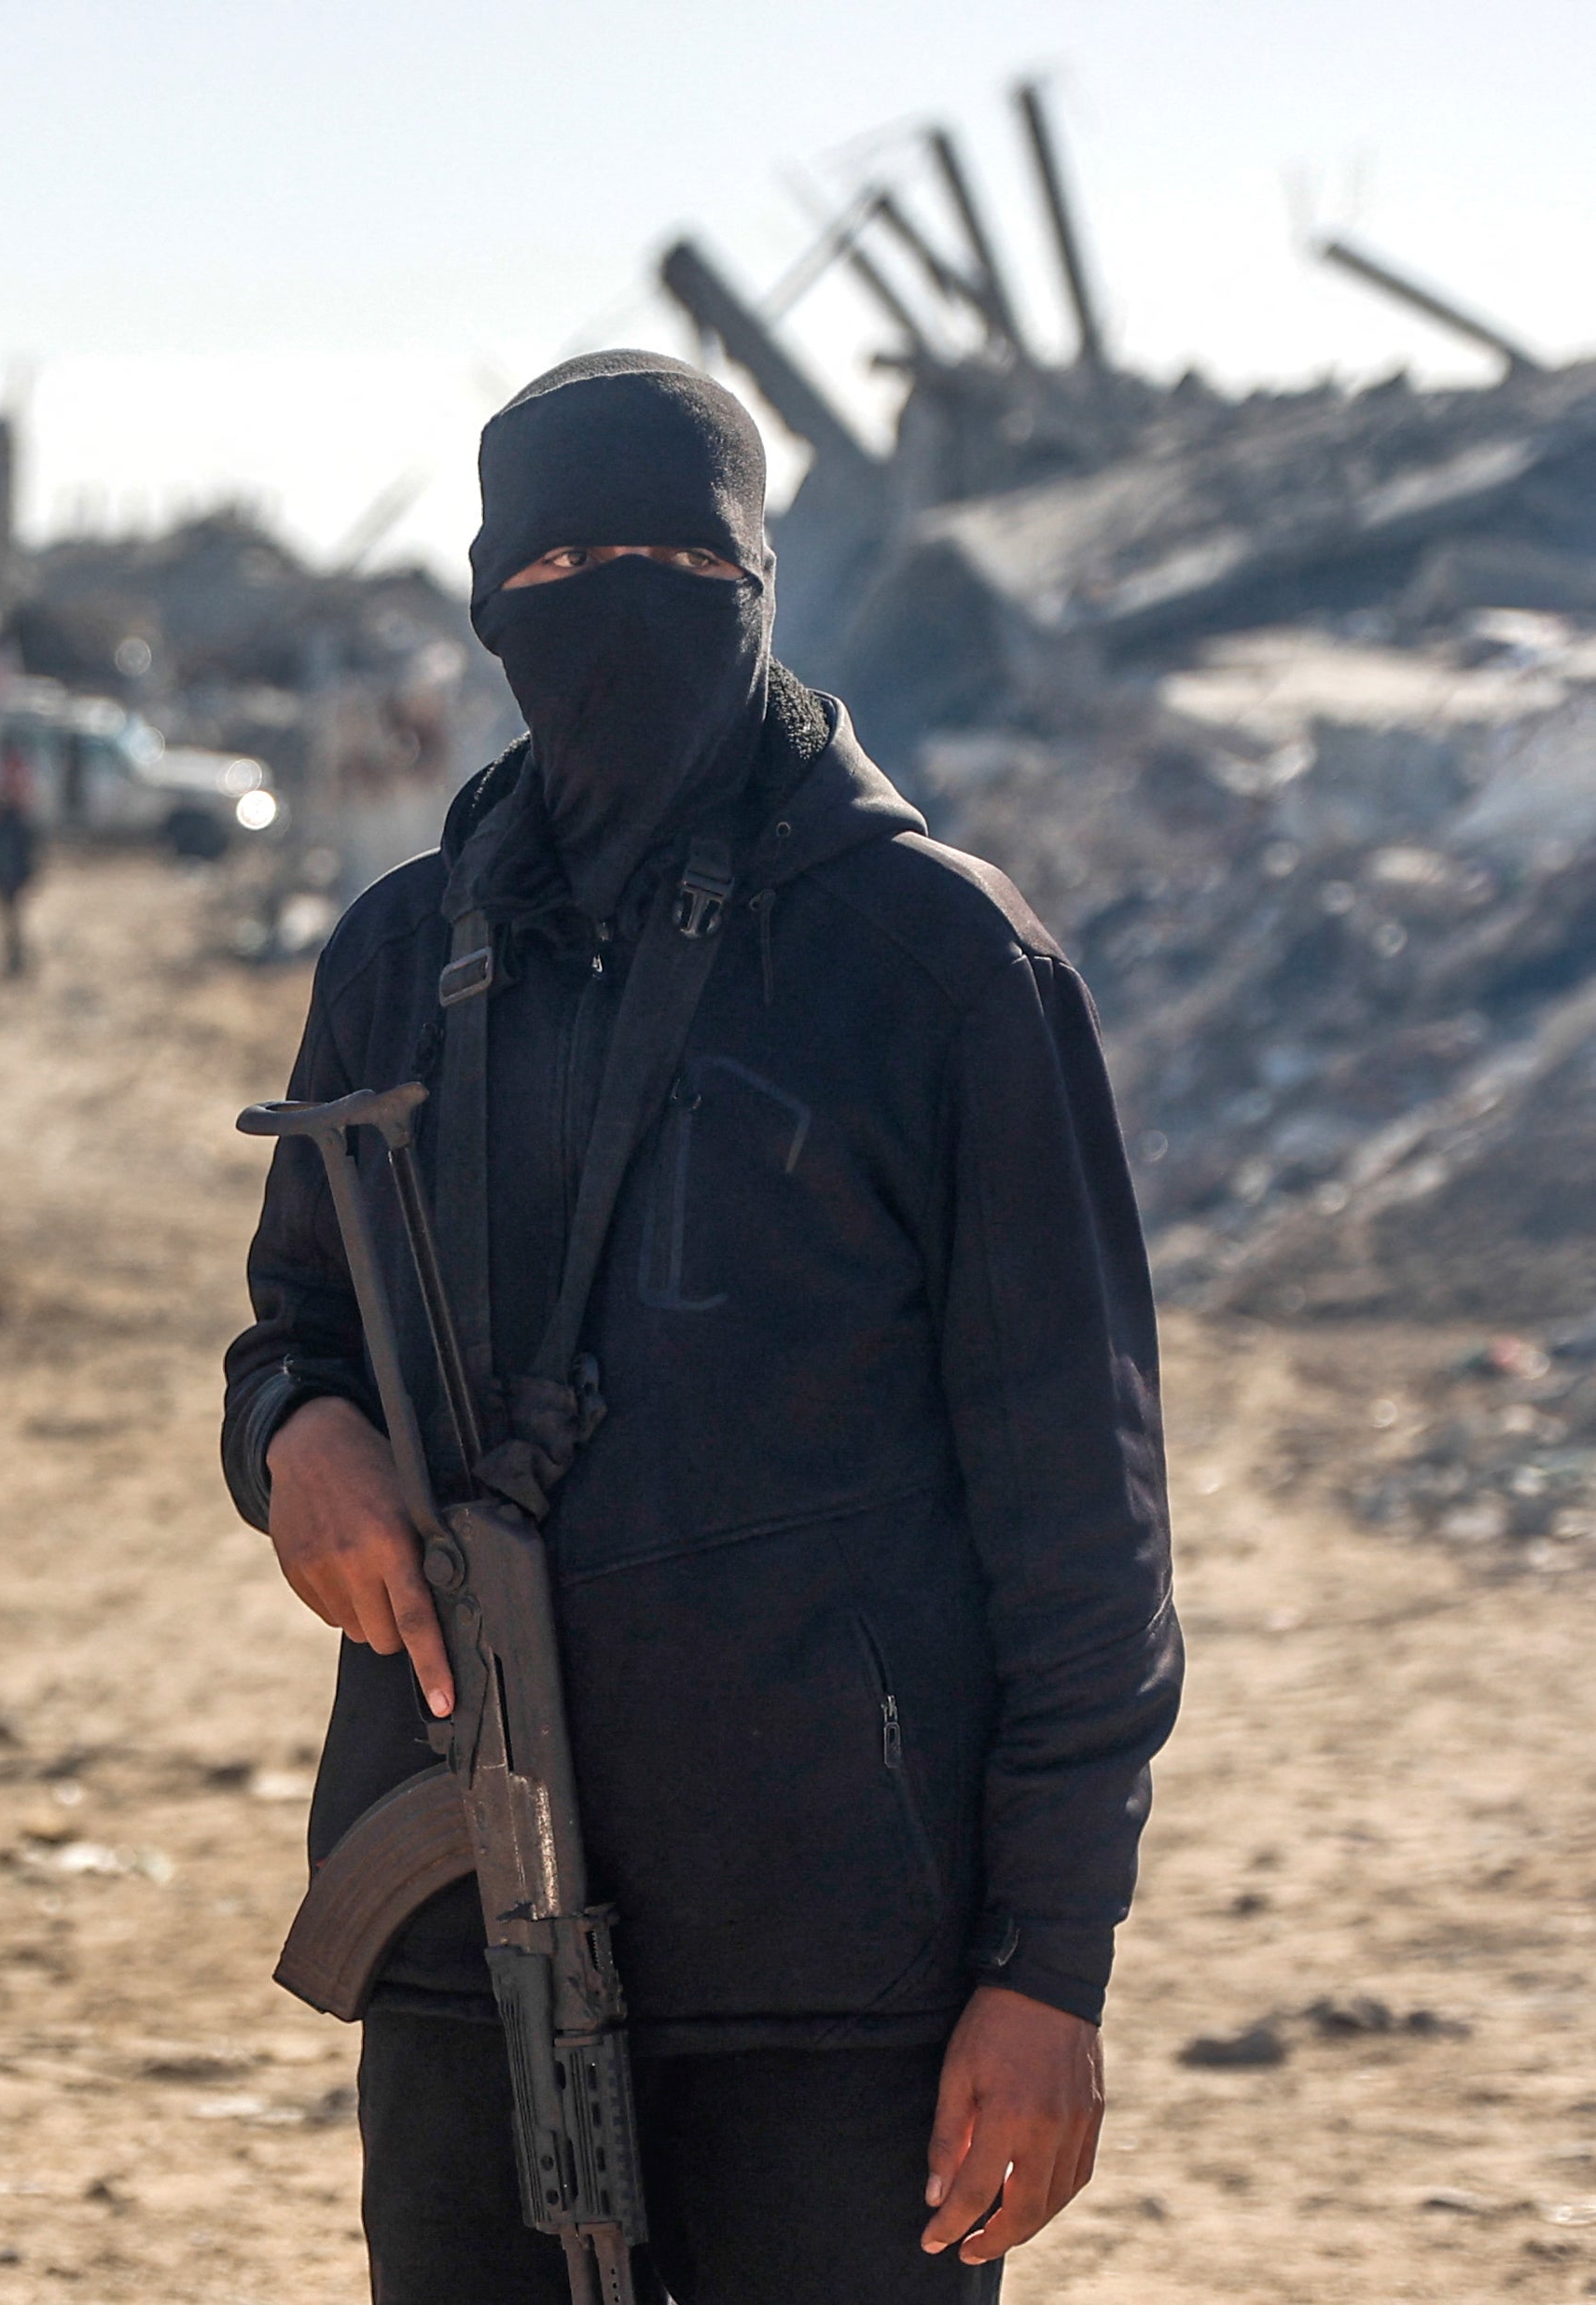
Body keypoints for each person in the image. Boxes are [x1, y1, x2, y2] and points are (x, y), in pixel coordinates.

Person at [222, 353, 1180, 2302]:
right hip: (461, 1918)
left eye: (673, 563)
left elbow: (1080, 1516)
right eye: (558, 567)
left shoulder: (934, 962)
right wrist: (290, 1441)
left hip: (839, 1972)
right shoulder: (399, 956)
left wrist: (1047, 1962)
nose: (613, 609)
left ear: (755, 584)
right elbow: (290, 1325)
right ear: (487, 604)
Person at [0, 730, 43, 981]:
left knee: (12, 915)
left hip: (13, 869)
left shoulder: (17, 819)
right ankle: (14, 957)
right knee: (9, 916)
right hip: (7, 868)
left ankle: (16, 958)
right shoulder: (5, 815)